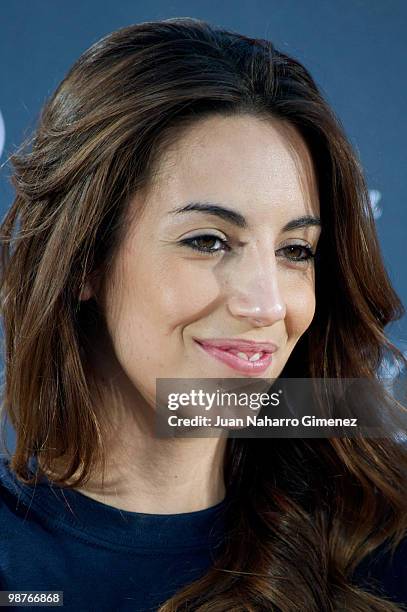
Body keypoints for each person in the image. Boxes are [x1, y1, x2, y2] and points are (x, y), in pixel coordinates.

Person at [0, 17, 406, 612]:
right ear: (85, 256)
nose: (266, 304)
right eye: (209, 241)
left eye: (296, 251)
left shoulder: (380, 545)